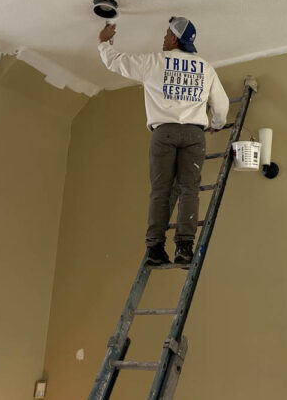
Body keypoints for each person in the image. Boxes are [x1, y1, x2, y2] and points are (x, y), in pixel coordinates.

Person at [98, 17, 229, 266]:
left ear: (175, 39)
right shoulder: (205, 67)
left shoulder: (154, 62)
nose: (164, 37)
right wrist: (217, 124)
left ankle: (156, 249)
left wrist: (104, 43)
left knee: (161, 191)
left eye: (168, 33)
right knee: (189, 190)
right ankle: (184, 247)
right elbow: (220, 105)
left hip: (164, 133)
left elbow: (116, 62)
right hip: (193, 135)